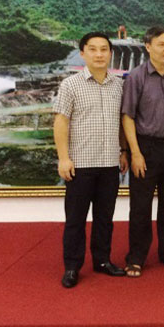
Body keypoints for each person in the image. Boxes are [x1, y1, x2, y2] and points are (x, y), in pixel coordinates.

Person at [54, 32, 128, 288]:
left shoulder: (119, 85)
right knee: (76, 219)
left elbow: (122, 122)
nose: (99, 54)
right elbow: (61, 121)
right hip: (80, 164)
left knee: (105, 218)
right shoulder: (70, 85)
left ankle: (102, 261)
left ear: (110, 53)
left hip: (109, 164)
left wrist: (124, 151)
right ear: (82, 53)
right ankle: (72, 267)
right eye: (93, 49)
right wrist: (63, 158)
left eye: (104, 49)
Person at [121, 25, 164, 277]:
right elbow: (127, 117)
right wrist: (135, 153)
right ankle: (136, 257)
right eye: (161, 44)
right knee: (140, 206)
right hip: (146, 149)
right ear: (148, 47)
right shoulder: (136, 77)